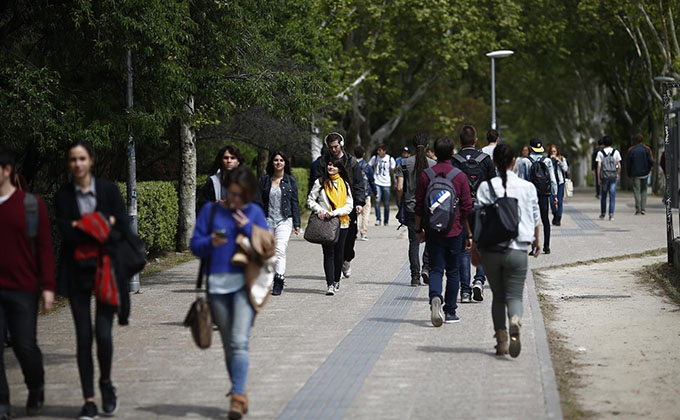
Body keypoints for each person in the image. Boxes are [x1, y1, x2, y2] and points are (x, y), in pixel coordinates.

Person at [54, 140, 128, 419]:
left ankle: (106, 384)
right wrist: (100, 223)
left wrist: (82, 224)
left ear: (91, 161)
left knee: (103, 335)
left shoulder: (108, 190)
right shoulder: (62, 196)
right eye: (73, 159)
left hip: (106, 269)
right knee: (83, 337)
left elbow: (120, 228)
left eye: (82, 158)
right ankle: (88, 399)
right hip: (76, 273)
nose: (77, 164)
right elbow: (67, 233)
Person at [191, 166, 267, 419]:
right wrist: (210, 242)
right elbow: (195, 246)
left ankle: (236, 396)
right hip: (216, 287)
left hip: (243, 287)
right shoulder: (210, 211)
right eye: (232, 194)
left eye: (240, 195)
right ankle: (240, 388)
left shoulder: (254, 212)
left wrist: (247, 228)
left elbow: (266, 249)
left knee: (239, 341)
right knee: (227, 346)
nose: (235, 200)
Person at [472, 143, 541, 358]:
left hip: (492, 250)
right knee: (515, 296)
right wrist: (537, 240)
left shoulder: (485, 188)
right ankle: (515, 320)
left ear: (493, 162)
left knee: (498, 297)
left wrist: (474, 248)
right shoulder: (527, 187)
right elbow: (536, 216)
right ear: (514, 162)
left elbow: (478, 222)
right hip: (519, 249)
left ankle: (501, 342)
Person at [0, 149, 54, 419]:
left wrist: (47, 287)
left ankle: (36, 385)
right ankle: (2, 403)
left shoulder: (31, 205)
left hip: (24, 288)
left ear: (7, 170)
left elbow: (44, 248)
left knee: (24, 345)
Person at [415, 136, 472, 326]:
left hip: (433, 230)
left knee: (436, 269)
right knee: (453, 271)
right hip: (455, 230)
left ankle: (434, 298)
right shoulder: (460, 176)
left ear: (435, 153)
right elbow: (466, 207)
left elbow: (419, 205)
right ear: (452, 153)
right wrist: (469, 234)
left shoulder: (426, 175)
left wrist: (419, 229)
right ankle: (450, 312)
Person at [452, 125, 495, 303]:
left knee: (464, 250)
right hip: (483, 209)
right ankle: (479, 280)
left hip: (462, 210)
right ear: (476, 141)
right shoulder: (485, 160)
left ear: (460, 141)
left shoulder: (454, 160)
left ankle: (465, 290)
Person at [312, 133, 365, 279]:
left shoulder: (351, 161)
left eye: (336, 146)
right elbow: (316, 182)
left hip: (348, 207)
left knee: (349, 241)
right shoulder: (323, 162)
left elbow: (359, 183)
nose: (334, 149)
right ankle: (335, 269)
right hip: (329, 208)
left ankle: (346, 260)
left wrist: (359, 202)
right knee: (332, 240)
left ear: (341, 144)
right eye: (331, 147)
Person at [256, 151, 301, 296]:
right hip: (267, 219)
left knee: (280, 250)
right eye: (276, 160)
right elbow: (258, 201)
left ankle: (279, 280)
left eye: (281, 160)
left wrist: (297, 223)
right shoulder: (264, 180)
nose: (278, 162)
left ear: (285, 163)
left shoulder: (290, 180)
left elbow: (295, 202)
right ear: (272, 162)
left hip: (284, 220)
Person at [307, 159, 354, 295]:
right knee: (328, 253)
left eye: (334, 165)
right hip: (325, 223)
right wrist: (319, 210)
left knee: (339, 253)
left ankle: (336, 280)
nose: (331, 167)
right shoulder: (320, 182)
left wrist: (334, 213)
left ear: (339, 168)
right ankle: (330, 284)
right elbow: (310, 200)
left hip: (342, 222)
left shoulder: (344, 184)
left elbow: (349, 205)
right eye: (329, 164)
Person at [396, 133, 436, 286]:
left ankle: (415, 277)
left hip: (411, 207)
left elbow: (399, 187)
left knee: (414, 242)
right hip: (430, 207)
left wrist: (402, 201)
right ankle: (426, 267)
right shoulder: (433, 164)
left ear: (413, 146)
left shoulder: (404, 164)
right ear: (426, 147)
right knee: (430, 241)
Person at [516, 138, 558, 254]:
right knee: (545, 220)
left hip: (530, 194)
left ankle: (534, 247)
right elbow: (552, 180)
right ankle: (547, 246)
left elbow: (521, 179)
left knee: (531, 221)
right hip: (544, 194)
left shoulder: (524, 161)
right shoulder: (547, 161)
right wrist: (554, 195)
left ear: (530, 148)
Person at [198, 145, 244, 209]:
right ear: (221, 160)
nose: (229, 161)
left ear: (238, 161)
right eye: (226, 158)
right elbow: (202, 204)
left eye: (232, 158)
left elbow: (255, 205)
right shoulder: (212, 181)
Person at [369, 144, 396, 226]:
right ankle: (378, 219)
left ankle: (386, 220)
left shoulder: (390, 159)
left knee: (386, 203)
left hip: (386, 183)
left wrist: (395, 180)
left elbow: (393, 170)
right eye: (378, 150)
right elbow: (369, 166)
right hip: (377, 181)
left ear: (384, 151)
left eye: (380, 150)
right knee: (377, 201)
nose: (378, 152)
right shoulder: (375, 158)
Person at [626, 134, 654, 215]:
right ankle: (643, 208)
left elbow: (628, 163)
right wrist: (649, 169)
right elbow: (651, 161)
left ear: (635, 140)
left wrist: (629, 173)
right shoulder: (647, 149)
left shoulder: (631, 150)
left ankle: (638, 208)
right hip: (645, 173)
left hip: (635, 174)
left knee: (636, 190)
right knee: (644, 190)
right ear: (642, 140)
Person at [597, 135, 622, 221]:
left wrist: (598, 178)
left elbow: (599, 166)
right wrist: (617, 174)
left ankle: (603, 213)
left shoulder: (600, 153)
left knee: (603, 195)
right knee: (612, 195)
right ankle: (611, 214)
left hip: (604, 176)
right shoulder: (616, 152)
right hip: (613, 176)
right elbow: (619, 165)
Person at [355, 146, 377, 241]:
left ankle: (353, 233)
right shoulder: (367, 167)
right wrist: (375, 192)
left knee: (355, 215)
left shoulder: (352, 165)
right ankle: (363, 233)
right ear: (363, 154)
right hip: (366, 193)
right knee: (365, 214)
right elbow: (371, 181)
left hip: (354, 194)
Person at [547, 144, 569, 226]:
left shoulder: (562, 159)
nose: (553, 153)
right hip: (551, 183)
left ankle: (558, 218)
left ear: (557, 152)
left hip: (560, 182)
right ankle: (555, 214)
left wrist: (559, 161)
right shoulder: (547, 160)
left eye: (554, 151)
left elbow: (566, 169)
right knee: (552, 202)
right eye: (551, 151)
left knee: (559, 201)